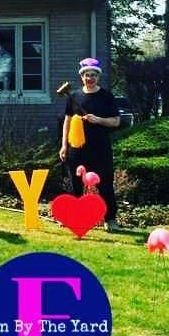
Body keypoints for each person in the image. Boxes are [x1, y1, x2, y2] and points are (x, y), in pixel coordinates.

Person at [59, 57, 121, 231]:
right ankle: (74, 217)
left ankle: (110, 219)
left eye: (93, 75)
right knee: (76, 184)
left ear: (98, 77)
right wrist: (64, 145)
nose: (90, 78)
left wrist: (98, 120)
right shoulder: (74, 97)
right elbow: (68, 122)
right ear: (82, 76)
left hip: (100, 149)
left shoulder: (106, 97)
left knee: (106, 183)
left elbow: (116, 121)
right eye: (87, 75)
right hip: (76, 149)